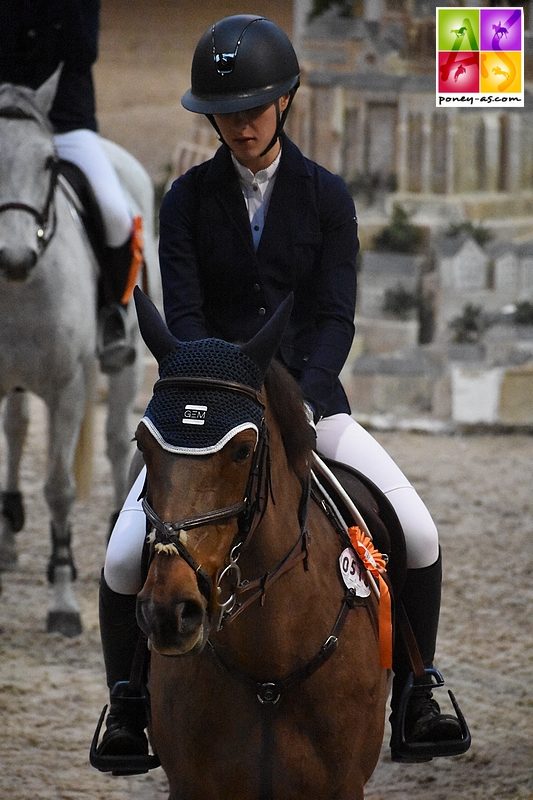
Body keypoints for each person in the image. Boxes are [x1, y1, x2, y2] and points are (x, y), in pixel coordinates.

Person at [92, 14, 468, 772]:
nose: (237, 125)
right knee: (124, 552)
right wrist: (216, 384)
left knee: (417, 532)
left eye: (251, 110)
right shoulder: (187, 199)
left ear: (285, 102)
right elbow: (188, 313)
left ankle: (416, 695)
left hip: (308, 403)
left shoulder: (326, 197)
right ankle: (128, 705)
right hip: (205, 400)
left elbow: (334, 314)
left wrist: (311, 397)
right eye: (223, 114)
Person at [0, 0, 141, 373]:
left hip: (68, 122)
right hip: (10, 124)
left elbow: (83, 49)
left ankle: (114, 314)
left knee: (116, 213)